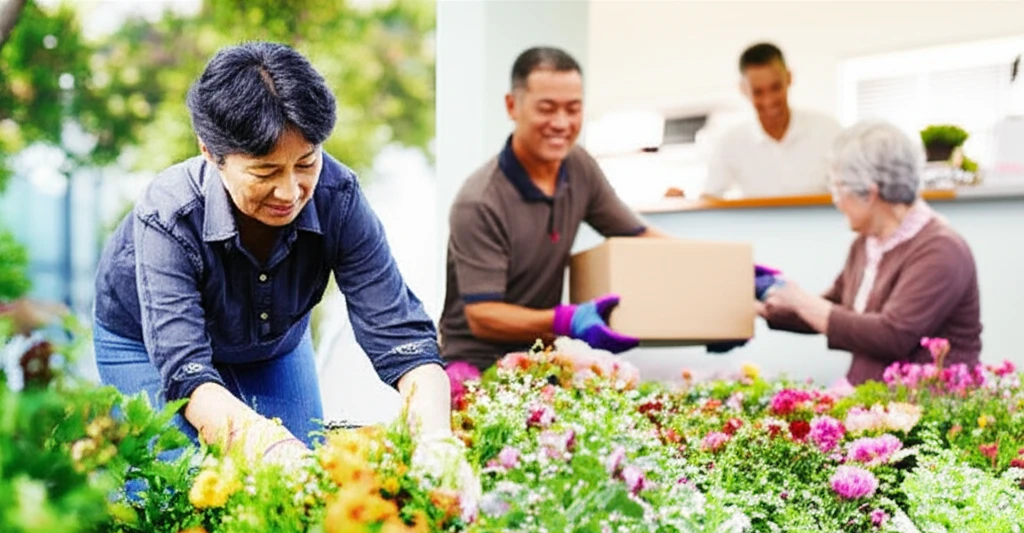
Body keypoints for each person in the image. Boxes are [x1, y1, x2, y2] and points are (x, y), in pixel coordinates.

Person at [92, 42, 452, 465]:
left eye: (306, 163)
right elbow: (186, 372)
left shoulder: (340, 196)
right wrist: (271, 448)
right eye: (265, 172)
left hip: (271, 344)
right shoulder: (168, 213)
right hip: (147, 347)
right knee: (176, 491)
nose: (290, 192)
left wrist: (435, 440)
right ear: (210, 152)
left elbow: (403, 336)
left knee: (299, 492)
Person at [439, 46, 670, 373]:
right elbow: (483, 317)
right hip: (471, 365)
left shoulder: (579, 167)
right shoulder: (480, 201)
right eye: (546, 109)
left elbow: (639, 235)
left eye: (573, 108)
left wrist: (729, 273)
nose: (561, 123)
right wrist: (567, 319)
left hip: (540, 359)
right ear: (511, 106)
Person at [759, 119, 982, 385]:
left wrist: (799, 299)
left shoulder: (941, 250)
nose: (836, 200)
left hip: (925, 409)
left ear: (871, 192)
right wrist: (762, 305)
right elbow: (835, 309)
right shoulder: (866, 242)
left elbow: (893, 336)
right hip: (869, 404)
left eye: (838, 188)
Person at [702, 42, 842, 199]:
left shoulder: (828, 130)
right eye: (758, 92)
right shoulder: (731, 143)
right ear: (743, 89)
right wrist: (678, 203)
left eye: (776, 88)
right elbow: (710, 197)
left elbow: (854, 190)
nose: (769, 101)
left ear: (789, 78)